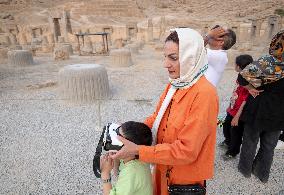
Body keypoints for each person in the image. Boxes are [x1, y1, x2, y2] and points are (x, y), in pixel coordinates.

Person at [110, 28, 219, 195]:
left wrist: (139, 151)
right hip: (162, 165)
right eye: (165, 56)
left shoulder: (205, 94)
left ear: (190, 58)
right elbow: (157, 118)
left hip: (182, 179)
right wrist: (127, 133)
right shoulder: (176, 83)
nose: (165, 64)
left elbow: (186, 151)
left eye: (173, 58)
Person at [237, 30, 284, 183]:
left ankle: (245, 170)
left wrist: (251, 88)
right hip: (280, 112)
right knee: (269, 146)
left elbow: (242, 77)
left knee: (250, 140)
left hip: (259, 107)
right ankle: (262, 174)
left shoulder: (267, 61)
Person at [100, 121, 153, 195]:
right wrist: (115, 156)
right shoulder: (133, 156)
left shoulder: (132, 173)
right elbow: (118, 174)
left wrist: (105, 173)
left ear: (131, 147)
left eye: (119, 139)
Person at [220, 54, 253, 160]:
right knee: (226, 126)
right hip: (232, 108)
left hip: (239, 113)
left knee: (236, 132)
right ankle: (228, 141)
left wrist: (237, 116)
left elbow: (245, 100)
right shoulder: (241, 76)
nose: (234, 65)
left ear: (238, 67)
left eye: (235, 64)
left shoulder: (249, 82)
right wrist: (230, 107)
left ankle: (232, 151)